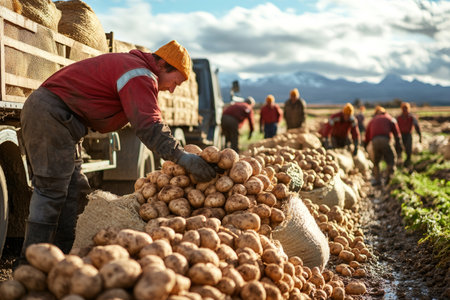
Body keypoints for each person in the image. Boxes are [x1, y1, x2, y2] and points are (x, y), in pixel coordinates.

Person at [18, 40, 216, 264]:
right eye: (174, 82)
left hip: (63, 121)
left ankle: (62, 257)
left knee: (75, 190)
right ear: (162, 65)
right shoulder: (139, 74)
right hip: (51, 116)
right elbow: (148, 125)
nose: (171, 89)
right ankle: (29, 265)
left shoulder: (137, 70)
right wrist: (182, 156)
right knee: (51, 189)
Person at [365, 106, 403, 186]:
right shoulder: (389, 118)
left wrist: (365, 146)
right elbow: (397, 133)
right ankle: (390, 177)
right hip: (385, 140)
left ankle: (377, 180)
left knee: (376, 161)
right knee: (391, 158)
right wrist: (399, 146)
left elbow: (367, 135)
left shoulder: (372, 120)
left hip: (374, 141)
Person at [396, 102, 422, 167]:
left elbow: (416, 126)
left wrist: (420, 135)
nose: (405, 110)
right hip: (401, 135)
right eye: (403, 108)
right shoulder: (399, 117)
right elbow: (395, 127)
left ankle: (408, 162)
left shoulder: (412, 117)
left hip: (408, 135)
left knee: (408, 149)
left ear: (408, 109)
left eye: (406, 108)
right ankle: (400, 162)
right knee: (399, 148)